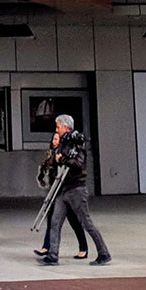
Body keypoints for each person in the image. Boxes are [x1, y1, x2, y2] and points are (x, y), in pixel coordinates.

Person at [35, 114, 109, 266]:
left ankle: (103, 252)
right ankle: (52, 255)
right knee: (55, 222)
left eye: (58, 127)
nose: (57, 130)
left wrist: (61, 159)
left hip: (76, 188)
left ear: (65, 127)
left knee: (86, 223)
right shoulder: (64, 142)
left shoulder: (76, 143)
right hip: (63, 188)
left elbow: (78, 163)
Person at [39, 133, 92, 258]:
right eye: (53, 139)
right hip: (55, 191)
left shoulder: (66, 152)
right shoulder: (52, 153)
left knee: (75, 221)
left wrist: (60, 159)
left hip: (66, 191)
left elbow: (72, 166)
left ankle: (83, 247)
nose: (54, 141)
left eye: (56, 139)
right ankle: (48, 248)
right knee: (53, 221)